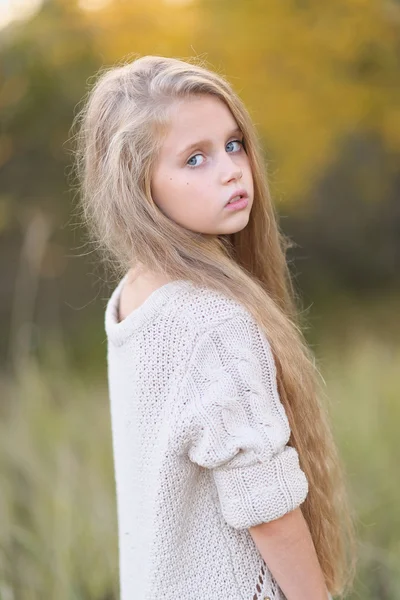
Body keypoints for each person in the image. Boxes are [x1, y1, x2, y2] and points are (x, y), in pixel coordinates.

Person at [71, 55, 357, 600]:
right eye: (194, 158)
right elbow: (268, 510)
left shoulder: (137, 296)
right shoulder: (211, 323)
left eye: (232, 144)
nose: (231, 169)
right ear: (138, 186)